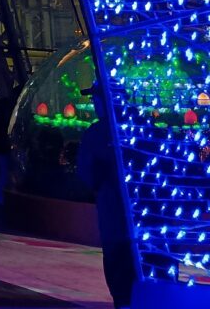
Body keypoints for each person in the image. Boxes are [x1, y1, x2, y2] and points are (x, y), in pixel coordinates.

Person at [78, 94, 134, 309]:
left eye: (96, 100)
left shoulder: (97, 132)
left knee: (116, 262)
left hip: (113, 213)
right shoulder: (138, 125)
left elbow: (86, 173)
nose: (94, 104)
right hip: (145, 218)